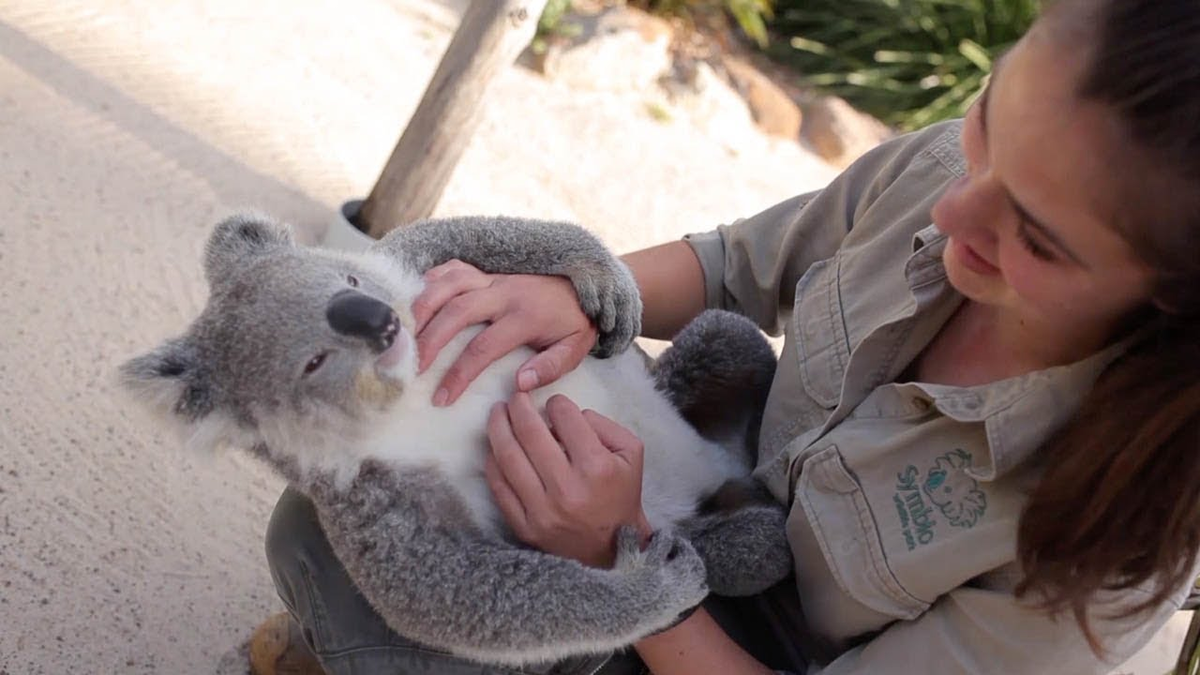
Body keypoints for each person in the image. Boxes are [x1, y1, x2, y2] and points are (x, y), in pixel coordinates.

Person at [253, 0, 1200, 672]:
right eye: (988, 119)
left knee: (370, 606)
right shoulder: (950, 168)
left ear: (1173, 297)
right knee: (323, 533)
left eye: (1033, 236)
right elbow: (738, 266)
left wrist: (619, 555)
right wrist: (579, 294)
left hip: (733, 641)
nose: (953, 207)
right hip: (700, 495)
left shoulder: (1113, 548)